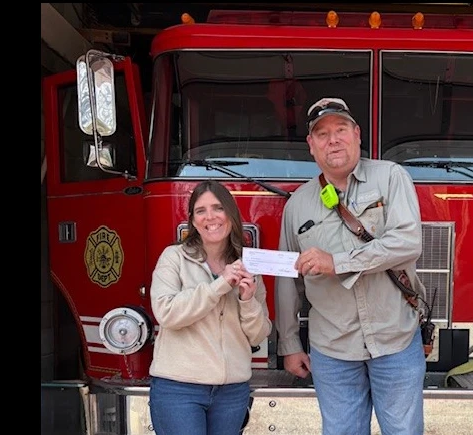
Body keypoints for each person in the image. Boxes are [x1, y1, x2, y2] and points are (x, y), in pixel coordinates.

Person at [275, 97, 427, 435]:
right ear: (311, 145)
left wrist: (338, 262)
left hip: (395, 340)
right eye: (322, 134)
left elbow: (407, 243)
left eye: (341, 130)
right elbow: (288, 280)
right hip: (332, 350)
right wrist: (289, 345)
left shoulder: (391, 177)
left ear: (357, 134)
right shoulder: (296, 205)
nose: (333, 140)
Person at [148, 179, 272, 435]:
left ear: (231, 215)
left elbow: (258, 335)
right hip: (179, 389)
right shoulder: (173, 257)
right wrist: (220, 285)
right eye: (201, 211)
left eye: (218, 208)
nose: (210, 217)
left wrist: (247, 300)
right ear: (193, 221)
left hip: (232, 392)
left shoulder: (248, 265)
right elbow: (167, 314)